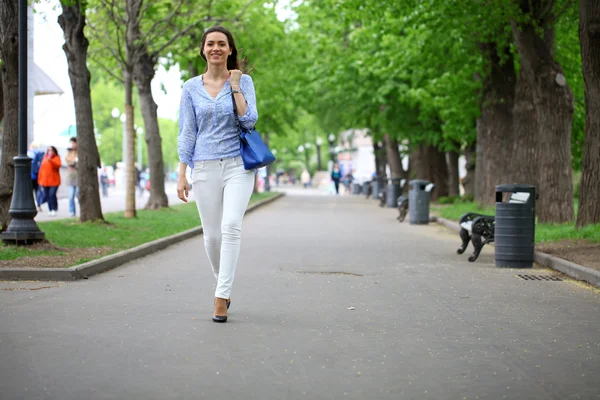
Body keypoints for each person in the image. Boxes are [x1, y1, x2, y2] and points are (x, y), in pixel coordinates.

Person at [177, 25, 257, 323]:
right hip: (204, 167)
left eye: (222, 44)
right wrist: (182, 173)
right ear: (203, 49)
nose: (216, 48)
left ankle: (221, 296)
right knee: (211, 237)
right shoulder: (190, 88)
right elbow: (187, 132)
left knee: (231, 224)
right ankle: (223, 283)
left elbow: (248, 120)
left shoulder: (243, 81)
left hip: (238, 164)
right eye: (210, 44)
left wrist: (235, 84)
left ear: (230, 49)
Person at [37, 146, 62, 216]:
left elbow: (57, 166)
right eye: (49, 150)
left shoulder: (56, 158)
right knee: (47, 195)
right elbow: (41, 170)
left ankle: (54, 208)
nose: (50, 152)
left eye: (51, 150)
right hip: (45, 181)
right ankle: (50, 209)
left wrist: (50, 160)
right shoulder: (45, 158)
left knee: (52, 194)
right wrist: (39, 179)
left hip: (54, 181)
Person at [27, 143, 45, 211]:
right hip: (38, 175)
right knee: (38, 191)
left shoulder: (29, 153)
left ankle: (30, 205)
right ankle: (38, 205)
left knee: (30, 192)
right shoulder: (40, 153)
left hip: (31, 175)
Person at [65, 137, 78, 217]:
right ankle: (72, 211)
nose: (72, 145)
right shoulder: (69, 152)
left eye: (73, 143)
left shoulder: (80, 151)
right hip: (70, 176)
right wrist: (73, 161)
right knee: (71, 195)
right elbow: (67, 160)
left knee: (78, 194)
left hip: (78, 176)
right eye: (71, 143)